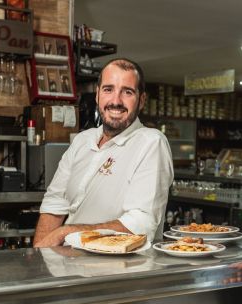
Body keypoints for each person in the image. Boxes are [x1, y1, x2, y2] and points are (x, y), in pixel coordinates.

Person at [34, 58, 174, 247]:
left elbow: (141, 223)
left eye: (127, 92)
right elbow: (55, 203)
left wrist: (65, 232)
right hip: (69, 265)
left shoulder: (151, 142)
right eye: (108, 90)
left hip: (118, 270)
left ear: (141, 101)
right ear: (98, 95)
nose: (116, 101)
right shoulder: (82, 140)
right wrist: (41, 256)